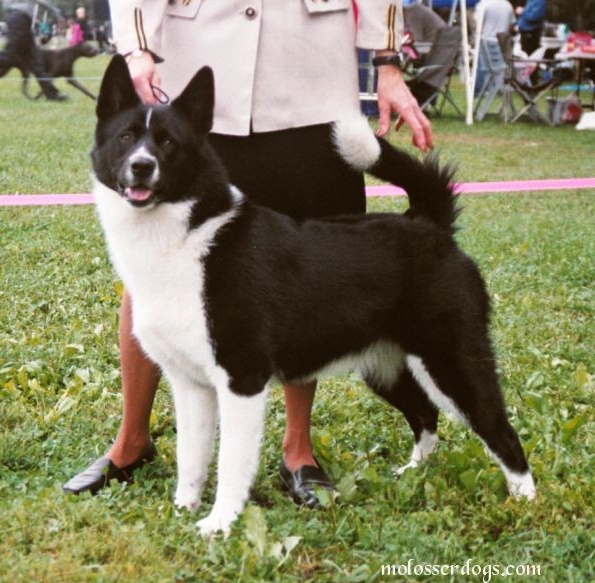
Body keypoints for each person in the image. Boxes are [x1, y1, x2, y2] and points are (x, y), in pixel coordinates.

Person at [63, 0, 434, 507]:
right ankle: (132, 441)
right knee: (159, 260)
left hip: (311, 68)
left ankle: (298, 450)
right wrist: (136, 44)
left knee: (305, 268)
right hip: (198, 54)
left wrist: (387, 60)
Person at [0, 0, 67, 101]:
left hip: (21, 20)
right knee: (9, 55)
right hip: (20, 20)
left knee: (36, 60)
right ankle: (52, 94)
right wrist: (57, 14)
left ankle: (52, 95)